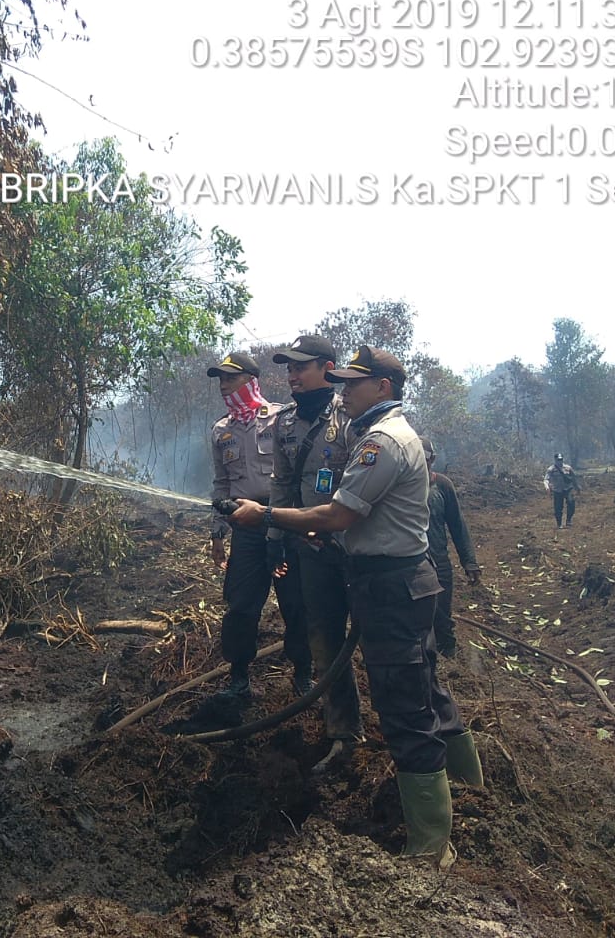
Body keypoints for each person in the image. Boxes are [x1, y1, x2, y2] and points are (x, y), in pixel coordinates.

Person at [227, 346, 483, 869]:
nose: (344, 390)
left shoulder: (379, 441)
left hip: (389, 585)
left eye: (354, 382)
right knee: (426, 686)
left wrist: (268, 517)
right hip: (398, 582)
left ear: (383, 387)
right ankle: (469, 783)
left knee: (404, 708)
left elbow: (340, 513)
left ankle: (431, 848)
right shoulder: (374, 432)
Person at [267, 336, 364, 769]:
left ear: (327, 368)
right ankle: (343, 735)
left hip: (361, 551)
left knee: (381, 641)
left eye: (299, 368)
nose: (291, 376)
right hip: (312, 551)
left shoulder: (354, 418)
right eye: (288, 369)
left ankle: (410, 733)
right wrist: (277, 540)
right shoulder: (284, 424)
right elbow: (283, 485)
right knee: (324, 638)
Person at [207, 352, 309, 700]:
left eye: (230, 379)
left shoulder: (283, 419)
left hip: (285, 525)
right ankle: (238, 678)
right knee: (240, 606)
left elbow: (297, 477)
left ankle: (304, 674)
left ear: (251, 380)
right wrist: (217, 532)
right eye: (220, 380)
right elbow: (221, 484)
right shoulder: (221, 431)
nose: (223, 386)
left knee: (296, 603)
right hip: (246, 530)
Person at [420, 438, 482, 659]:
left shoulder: (443, 486)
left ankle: (450, 661)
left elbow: (457, 525)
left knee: (442, 615)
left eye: (424, 459)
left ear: (432, 459)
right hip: (412, 563)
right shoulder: (401, 485)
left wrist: (469, 561)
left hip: (439, 562)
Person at [544, 453, 581, 529]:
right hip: (557, 490)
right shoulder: (551, 469)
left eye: (561, 459)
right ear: (555, 460)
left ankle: (568, 520)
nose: (559, 461)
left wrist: (577, 488)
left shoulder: (568, 468)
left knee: (571, 503)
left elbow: (574, 479)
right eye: (558, 460)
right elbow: (546, 479)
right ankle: (559, 524)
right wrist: (547, 487)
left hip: (568, 489)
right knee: (558, 508)